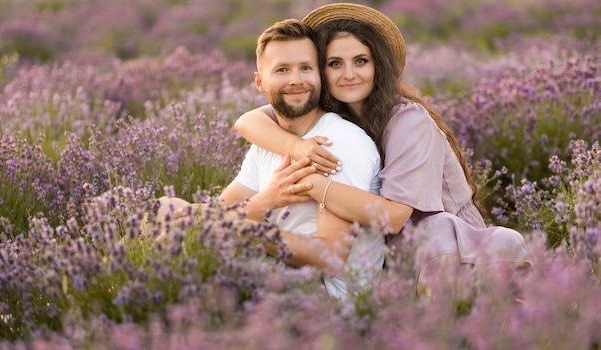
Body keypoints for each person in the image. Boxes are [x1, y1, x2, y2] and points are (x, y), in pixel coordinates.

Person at [234, 3, 530, 283]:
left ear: (378, 66)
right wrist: (296, 147)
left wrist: (311, 183)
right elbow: (248, 121)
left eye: (361, 61)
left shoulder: (407, 120)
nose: (349, 74)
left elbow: (395, 217)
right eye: (335, 63)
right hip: (386, 251)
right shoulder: (334, 114)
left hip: (447, 244)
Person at [157, 18, 384, 299]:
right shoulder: (268, 143)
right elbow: (223, 211)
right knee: (166, 208)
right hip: (275, 265)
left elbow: (330, 258)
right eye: (282, 70)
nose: (296, 80)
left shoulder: (340, 143)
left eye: (305, 68)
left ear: (319, 76)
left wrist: (241, 228)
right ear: (259, 82)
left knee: (193, 234)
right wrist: (261, 204)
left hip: (323, 294)